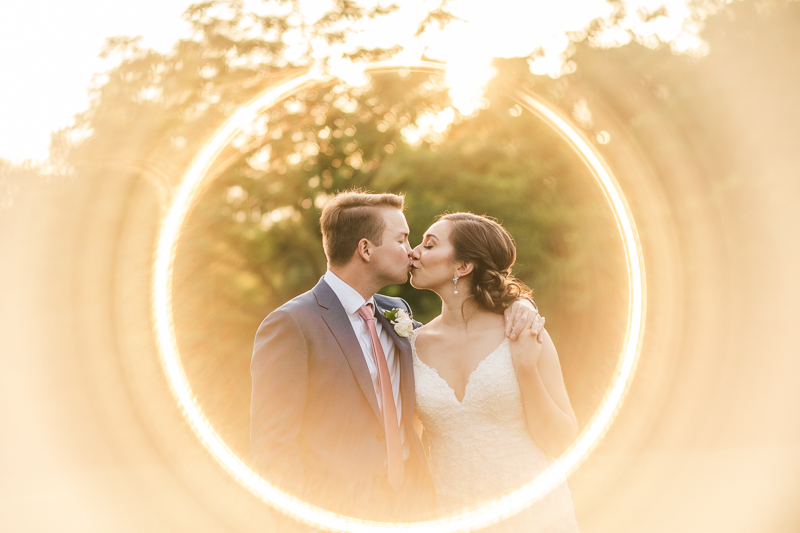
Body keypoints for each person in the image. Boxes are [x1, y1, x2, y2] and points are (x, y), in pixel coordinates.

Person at [250, 192, 541, 531]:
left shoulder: (396, 312)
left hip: (414, 508)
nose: (411, 250)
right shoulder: (292, 324)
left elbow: (459, 337)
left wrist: (516, 304)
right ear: (366, 249)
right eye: (402, 239)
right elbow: (272, 445)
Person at [410, 212, 580, 532]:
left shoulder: (523, 330)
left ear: (463, 266)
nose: (414, 252)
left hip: (534, 516)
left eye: (429, 245)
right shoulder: (412, 344)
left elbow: (561, 441)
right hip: (452, 516)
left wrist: (525, 367)